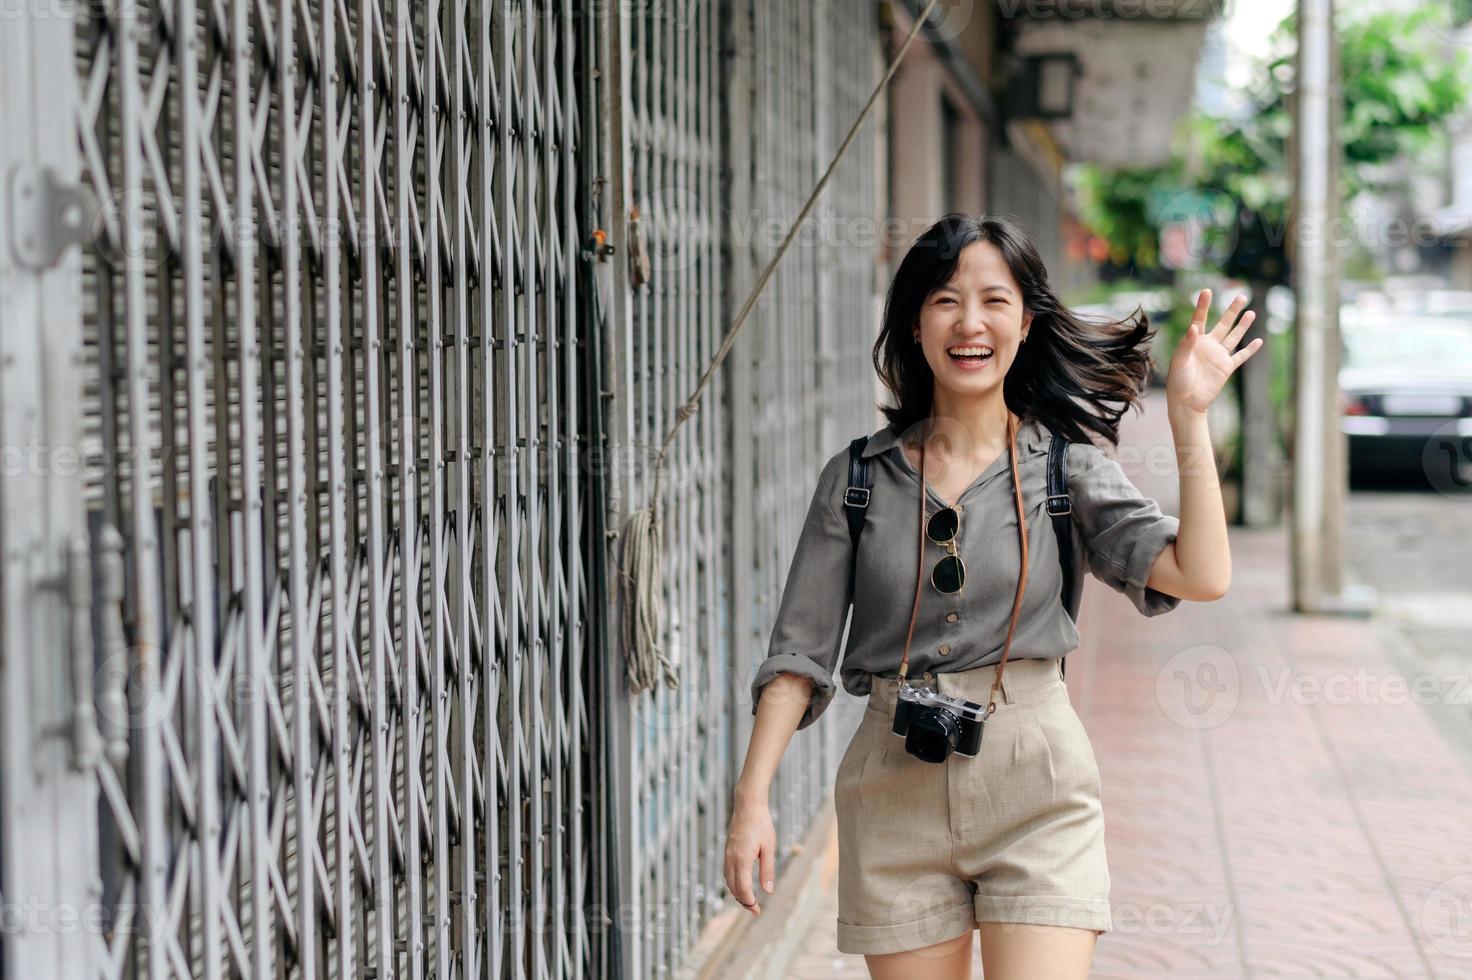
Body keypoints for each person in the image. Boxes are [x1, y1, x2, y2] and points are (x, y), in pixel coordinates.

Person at [722, 212, 1264, 980]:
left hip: (1036, 781)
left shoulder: (1063, 471)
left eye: (993, 300)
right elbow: (798, 654)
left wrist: (1189, 417)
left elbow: (1201, 573)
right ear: (914, 324)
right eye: (944, 300)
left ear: (1026, 320)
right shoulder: (857, 481)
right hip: (892, 785)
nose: (969, 322)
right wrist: (752, 801)